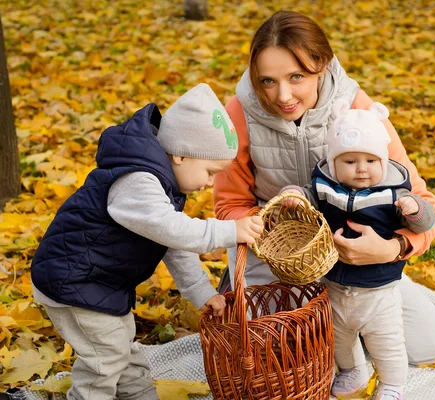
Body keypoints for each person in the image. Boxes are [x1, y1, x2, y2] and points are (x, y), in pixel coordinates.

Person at [213, 10, 435, 400]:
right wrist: (279, 235)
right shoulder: (239, 113)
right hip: (280, 259)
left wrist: (392, 248)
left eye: (297, 77)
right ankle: (327, 332)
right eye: (268, 81)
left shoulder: (358, 110)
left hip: (361, 263)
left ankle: (369, 317)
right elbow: (229, 206)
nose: (283, 96)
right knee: (282, 368)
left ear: (322, 65)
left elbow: (423, 202)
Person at [30, 84, 264, 400]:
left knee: (122, 347)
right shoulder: (138, 181)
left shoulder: (164, 184)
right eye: (210, 172)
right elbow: (174, 230)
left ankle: (139, 395)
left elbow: (172, 243)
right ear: (181, 154)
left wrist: (201, 292)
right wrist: (229, 231)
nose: (209, 184)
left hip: (100, 282)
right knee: (105, 358)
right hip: (72, 280)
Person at [279, 100, 435, 399]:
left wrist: (414, 209)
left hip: (378, 291)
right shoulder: (326, 187)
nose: (361, 169)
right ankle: (353, 371)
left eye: (371, 161)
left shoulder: (395, 193)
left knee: (387, 342)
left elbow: (423, 223)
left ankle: (392, 383)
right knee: (340, 338)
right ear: (335, 163)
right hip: (335, 284)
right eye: (350, 162)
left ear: (384, 162)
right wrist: (294, 195)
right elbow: (309, 195)